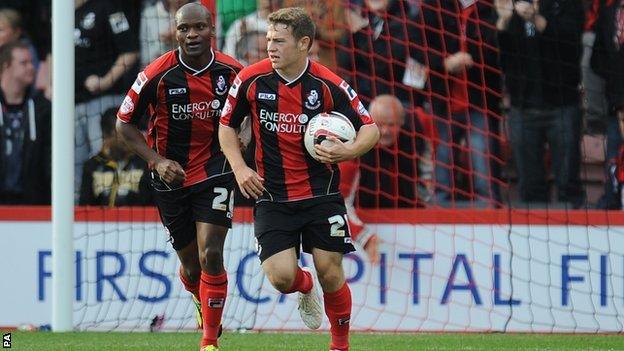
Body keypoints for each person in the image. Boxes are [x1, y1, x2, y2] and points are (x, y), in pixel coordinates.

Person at [219, 8, 379, 351]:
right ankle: (304, 286)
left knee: (331, 270)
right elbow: (226, 127)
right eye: (268, 40)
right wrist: (239, 167)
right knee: (281, 278)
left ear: (304, 43)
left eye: (279, 41)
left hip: (321, 195)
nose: (270, 47)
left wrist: (347, 151)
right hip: (272, 196)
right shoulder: (250, 79)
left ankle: (340, 346)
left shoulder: (329, 84)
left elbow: (371, 128)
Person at [116, 3, 242, 350]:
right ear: (176, 32)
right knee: (191, 267)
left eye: (199, 27)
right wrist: (156, 161)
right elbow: (123, 124)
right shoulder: (156, 73)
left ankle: (209, 342)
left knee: (211, 254)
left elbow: (251, 111)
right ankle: (199, 296)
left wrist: (242, 138)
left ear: (212, 29)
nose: (192, 35)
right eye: (184, 29)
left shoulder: (233, 72)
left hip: (217, 169)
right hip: (171, 178)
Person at [496, 0, 585, 207]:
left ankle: (573, 233)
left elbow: (573, 47)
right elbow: (500, 58)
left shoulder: (565, 5)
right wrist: (502, 22)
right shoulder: (508, 5)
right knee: (529, 187)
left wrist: (536, 20)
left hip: (563, 106)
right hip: (522, 107)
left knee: (568, 186)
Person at [418, 0, 503, 207]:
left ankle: (488, 209)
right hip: (444, 99)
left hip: (481, 100)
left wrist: (473, 57)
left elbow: (499, 50)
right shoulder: (433, 5)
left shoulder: (490, 8)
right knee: (443, 161)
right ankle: (440, 208)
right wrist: (444, 62)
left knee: (483, 163)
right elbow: (419, 44)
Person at [74, 0, 139, 200]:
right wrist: (51, 85)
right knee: (73, 165)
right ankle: (75, 211)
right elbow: (52, 52)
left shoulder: (107, 7)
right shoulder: (59, 13)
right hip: (71, 104)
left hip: (103, 102)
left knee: (103, 158)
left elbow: (130, 51)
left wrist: (105, 81)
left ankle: (108, 209)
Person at [0, 41, 50, 205]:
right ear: (6, 66)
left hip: (32, 204)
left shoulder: (42, 108)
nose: (31, 67)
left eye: (31, 62)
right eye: (24, 63)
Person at [79, 108, 151, 207]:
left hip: (138, 221)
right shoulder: (92, 166)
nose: (128, 138)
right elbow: (84, 209)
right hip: (100, 221)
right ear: (106, 135)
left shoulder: (144, 164)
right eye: (123, 133)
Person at [591, 0, 624, 209]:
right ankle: (612, 200)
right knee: (614, 157)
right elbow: (597, 57)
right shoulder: (608, 8)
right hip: (616, 103)